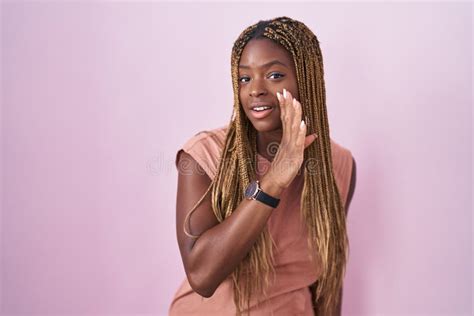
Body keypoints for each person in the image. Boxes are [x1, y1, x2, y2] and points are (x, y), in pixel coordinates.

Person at [169, 16, 357, 316]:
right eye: (245, 78)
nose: (255, 89)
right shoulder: (204, 155)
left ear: (306, 79)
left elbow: (327, 279)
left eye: (274, 75)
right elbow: (202, 276)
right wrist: (274, 180)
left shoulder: (339, 164)